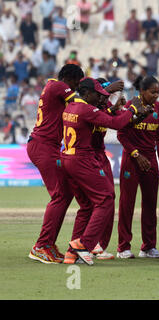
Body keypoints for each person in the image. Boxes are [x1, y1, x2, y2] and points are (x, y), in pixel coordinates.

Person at [61, 77, 147, 265]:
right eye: (97, 95)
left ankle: (71, 253)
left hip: (67, 157)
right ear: (86, 93)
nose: (99, 99)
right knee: (106, 198)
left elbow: (103, 118)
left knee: (86, 206)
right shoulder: (86, 109)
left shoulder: (70, 107)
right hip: (82, 159)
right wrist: (132, 109)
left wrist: (113, 109)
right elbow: (115, 124)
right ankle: (84, 244)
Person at [27, 64, 84, 264]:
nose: (76, 88)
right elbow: (79, 103)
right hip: (43, 146)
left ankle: (48, 244)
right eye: (76, 84)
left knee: (66, 193)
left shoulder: (53, 88)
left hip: (48, 146)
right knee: (60, 194)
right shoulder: (58, 86)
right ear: (68, 79)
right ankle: (41, 246)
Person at [116, 76, 159, 259]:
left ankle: (148, 247)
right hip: (132, 159)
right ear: (142, 92)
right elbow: (121, 135)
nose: (156, 95)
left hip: (150, 160)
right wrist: (136, 155)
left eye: (158, 92)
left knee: (150, 204)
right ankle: (123, 247)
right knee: (126, 204)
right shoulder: (131, 106)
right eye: (153, 92)